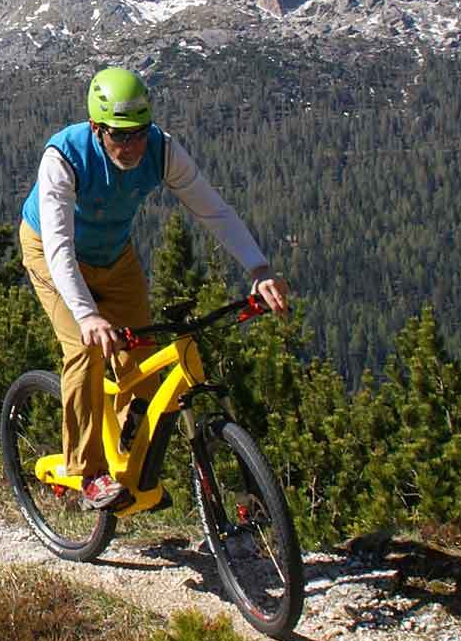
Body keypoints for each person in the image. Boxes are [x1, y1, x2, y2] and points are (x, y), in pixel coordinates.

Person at [18, 67, 291, 510]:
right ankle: (87, 472)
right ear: (96, 129)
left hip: (114, 256)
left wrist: (259, 269)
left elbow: (215, 211)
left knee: (141, 359)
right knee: (84, 351)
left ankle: (129, 460)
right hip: (50, 253)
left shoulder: (162, 152)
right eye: (120, 136)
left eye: (139, 133)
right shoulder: (63, 158)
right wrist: (87, 315)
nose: (132, 146)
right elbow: (59, 248)